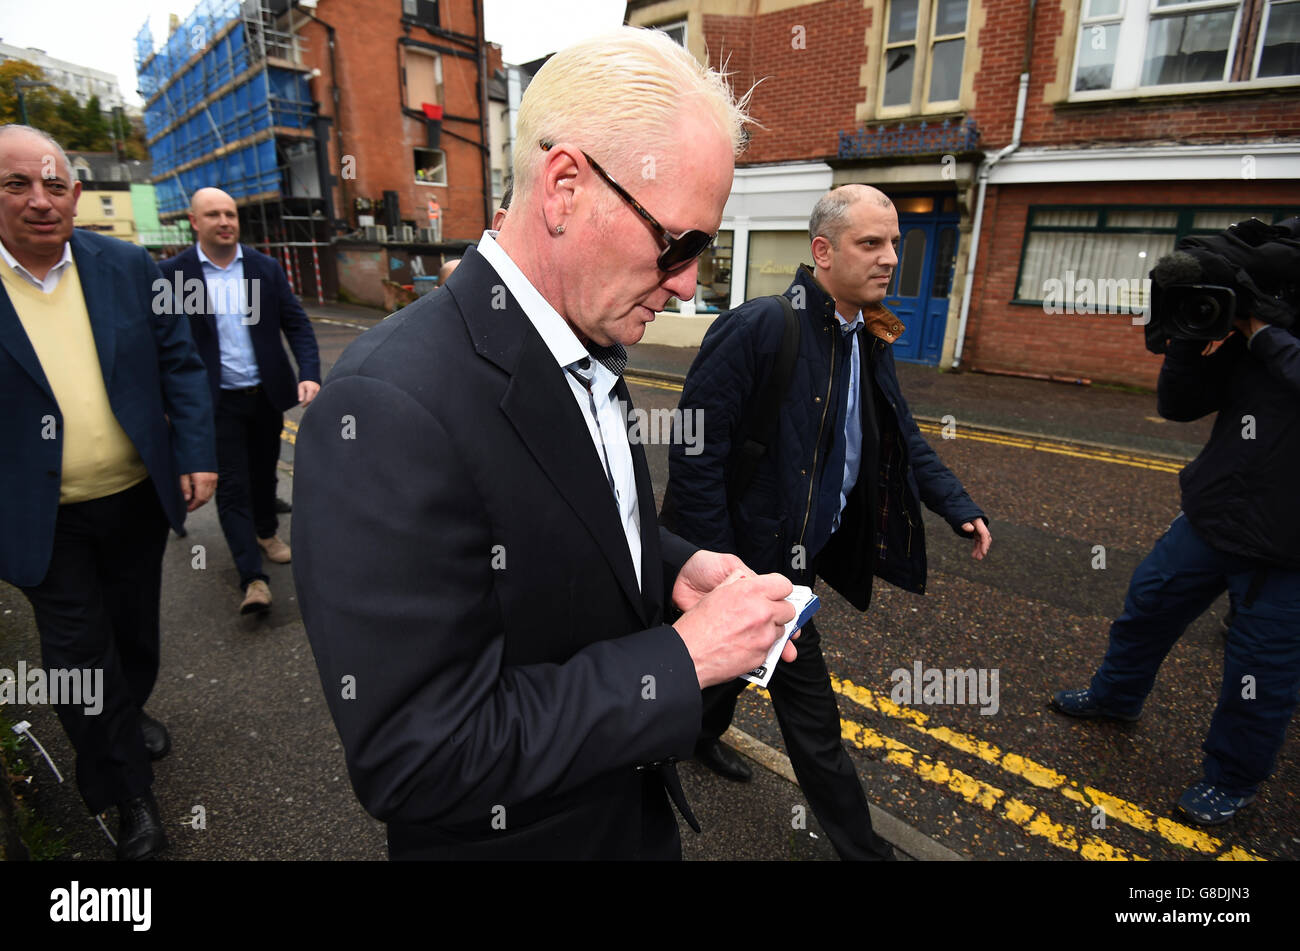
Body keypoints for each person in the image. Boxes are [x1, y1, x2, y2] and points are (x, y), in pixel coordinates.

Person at [291, 27, 799, 860]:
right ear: (565, 186)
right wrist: (679, 659)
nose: (683, 284)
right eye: (678, 244)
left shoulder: (586, 332)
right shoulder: (387, 408)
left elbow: (557, 517)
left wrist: (671, 565)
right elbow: (417, 757)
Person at [663, 184, 991, 861]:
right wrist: (717, 570)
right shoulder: (761, 326)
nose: (890, 258)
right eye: (872, 243)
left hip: (799, 556)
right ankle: (863, 850)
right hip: (748, 567)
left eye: (894, 242)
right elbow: (695, 451)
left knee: (727, 671)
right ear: (823, 251)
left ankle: (695, 737)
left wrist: (957, 504)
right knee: (814, 722)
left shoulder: (867, 336)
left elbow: (901, 434)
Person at [0, 124, 217, 860]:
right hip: (40, 518)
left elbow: (180, 365)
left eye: (55, 184)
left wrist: (194, 452)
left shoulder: (126, 265)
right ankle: (128, 796)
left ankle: (129, 712)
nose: (39, 201)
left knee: (132, 633)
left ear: (77, 195)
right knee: (77, 656)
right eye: (17, 185)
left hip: (131, 498)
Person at [1051, 226, 1300, 825]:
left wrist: (1264, 329)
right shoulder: (1247, 333)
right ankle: (1115, 697)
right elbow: (1178, 406)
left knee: (1257, 673)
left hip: (1287, 548)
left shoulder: (1273, 334)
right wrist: (1183, 340)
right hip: (1213, 515)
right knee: (1147, 609)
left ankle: (1231, 778)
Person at [160, 188, 321, 615]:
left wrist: (309, 373)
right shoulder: (173, 274)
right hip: (215, 403)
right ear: (194, 222)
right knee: (231, 487)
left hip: (265, 395)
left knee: (264, 474)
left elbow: (297, 324)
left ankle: (267, 532)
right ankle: (253, 578)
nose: (225, 221)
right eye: (213, 214)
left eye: (230, 213)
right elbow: (157, 345)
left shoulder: (264, 268)